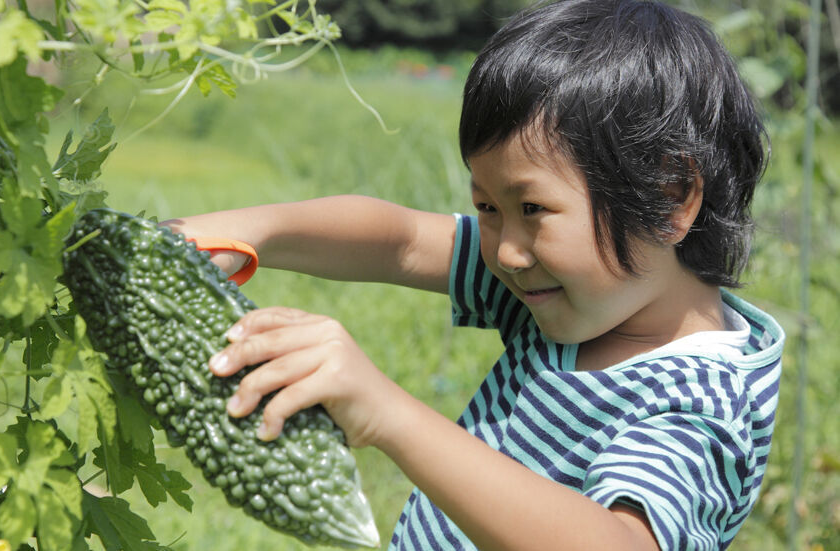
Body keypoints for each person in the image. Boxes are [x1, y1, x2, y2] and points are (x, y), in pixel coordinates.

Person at [159, 1, 785, 549]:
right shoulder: (563, 295)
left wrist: (389, 414)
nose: (506, 252)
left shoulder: (700, 402)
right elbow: (402, 241)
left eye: (531, 208)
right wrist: (246, 231)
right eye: (488, 208)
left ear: (670, 197)